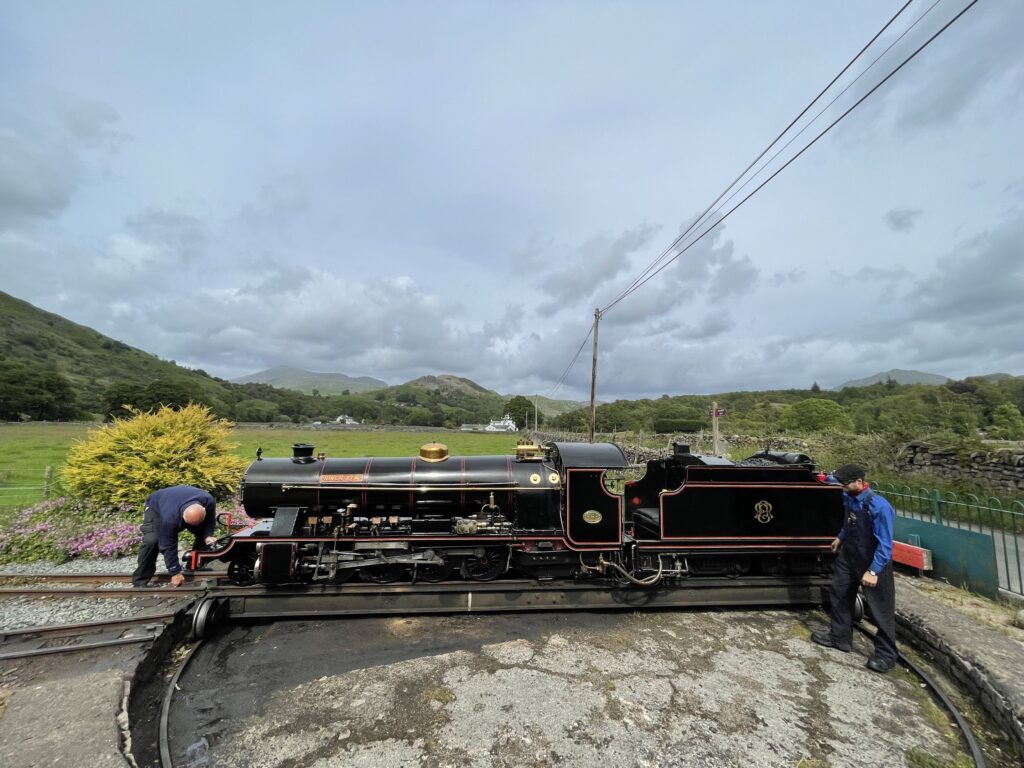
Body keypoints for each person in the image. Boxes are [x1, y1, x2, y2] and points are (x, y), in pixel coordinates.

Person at [812, 463, 898, 673]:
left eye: (845, 483)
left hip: (871, 560)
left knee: (880, 609)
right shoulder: (849, 498)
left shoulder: (880, 507)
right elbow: (849, 523)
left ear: (859, 482)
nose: (841, 486)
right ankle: (839, 636)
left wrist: (874, 571)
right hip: (849, 555)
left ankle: (886, 654)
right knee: (840, 593)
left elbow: (885, 544)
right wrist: (840, 538)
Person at [132, 485, 218, 588]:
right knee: (152, 540)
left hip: (179, 502)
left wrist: (207, 535)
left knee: (203, 534)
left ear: (204, 510)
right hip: (156, 507)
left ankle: (194, 565)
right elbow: (168, 545)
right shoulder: (170, 518)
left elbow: (210, 521)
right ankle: (140, 581)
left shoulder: (208, 501)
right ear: (182, 517)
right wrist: (175, 572)